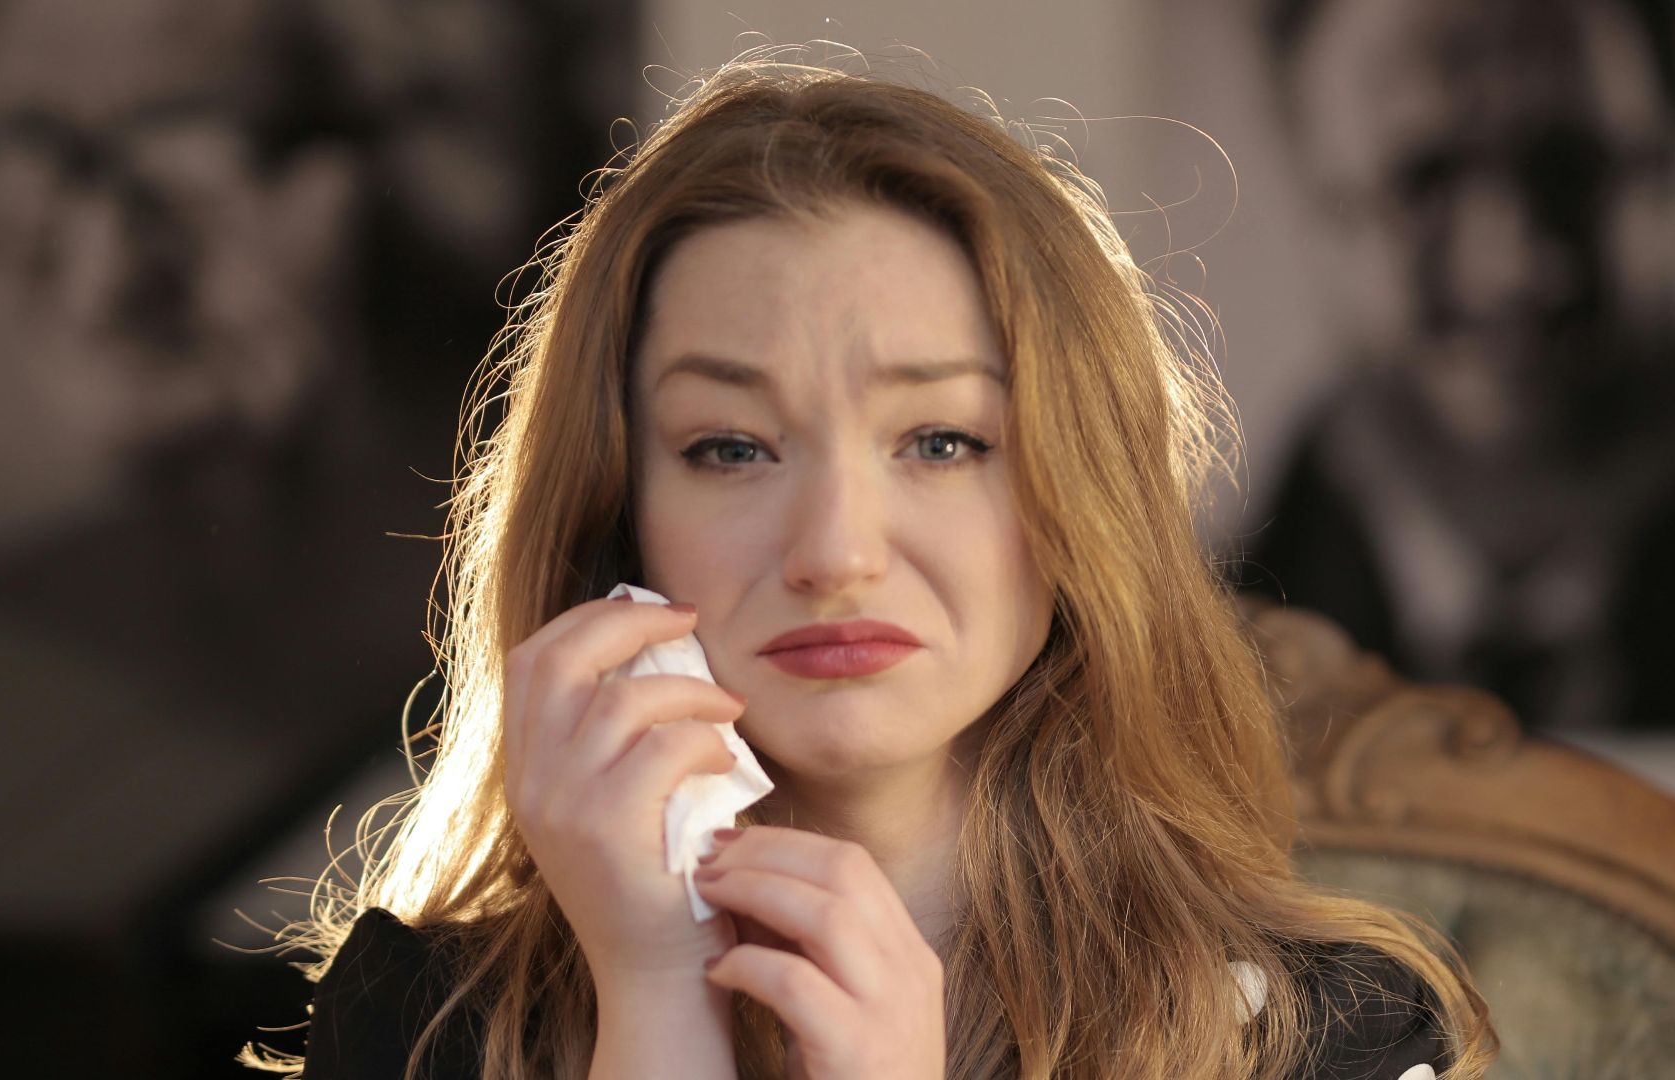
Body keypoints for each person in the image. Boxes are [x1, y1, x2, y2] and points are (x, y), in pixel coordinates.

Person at [245, 50, 1495, 1079]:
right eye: (729, 448)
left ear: (1078, 498)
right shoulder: (422, 1028)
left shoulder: (1325, 1041)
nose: (837, 554)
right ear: (619, 516)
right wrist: (659, 1008)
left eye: (943, 441)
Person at [1228, 0, 1675, 732]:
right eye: (1424, 180)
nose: (1514, 269)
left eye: (1572, 167)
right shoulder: (1174, 663)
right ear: (1310, 189)